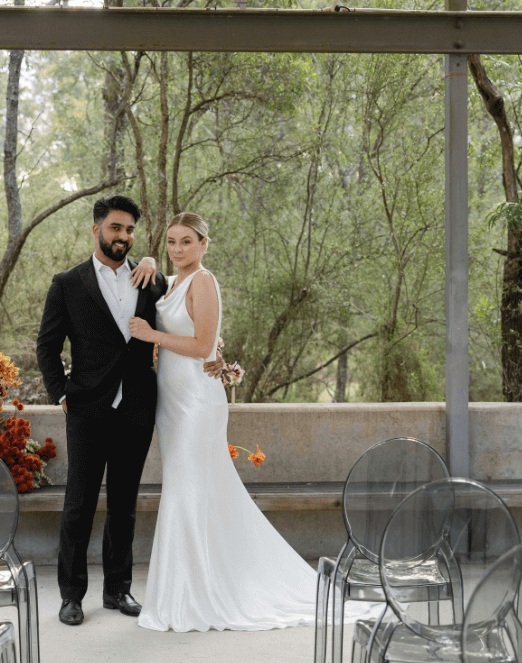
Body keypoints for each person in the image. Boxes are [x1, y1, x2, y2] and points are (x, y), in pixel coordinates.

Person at [128, 212, 378, 632]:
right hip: (171, 404)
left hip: (196, 403)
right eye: (171, 242)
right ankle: (187, 588)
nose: (177, 249)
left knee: (189, 493)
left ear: (204, 244)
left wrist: (150, 336)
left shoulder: (203, 281)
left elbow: (204, 345)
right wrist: (150, 259)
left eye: (186, 241)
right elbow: (175, 307)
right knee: (189, 491)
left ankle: (195, 598)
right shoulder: (172, 282)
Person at [35, 196, 222, 627]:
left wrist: (153, 259)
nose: (123, 236)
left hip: (137, 407)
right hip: (86, 407)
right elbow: (47, 345)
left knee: (124, 505)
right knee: (78, 504)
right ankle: (71, 596)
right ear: (97, 228)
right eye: (116, 228)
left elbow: (185, 309)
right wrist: (60, 393)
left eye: (130, 231)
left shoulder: (151, 281)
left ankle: (118, 589)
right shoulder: (66, 283)